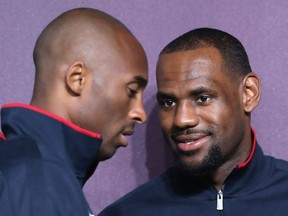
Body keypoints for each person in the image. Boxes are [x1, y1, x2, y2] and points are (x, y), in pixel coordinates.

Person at [99, 28, 288, 216]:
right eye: (169, 102)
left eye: (203, 98)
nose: (182, 119)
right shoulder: (128, 212)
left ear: (248, 93)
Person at [0, 7, 148, 216]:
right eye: (132, 91)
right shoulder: (36, 180)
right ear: (77, 79)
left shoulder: (35, 172)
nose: (141, 114)